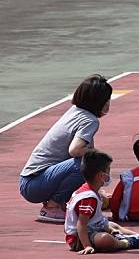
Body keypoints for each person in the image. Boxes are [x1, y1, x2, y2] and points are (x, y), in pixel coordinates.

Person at [20, 75, 112, 223]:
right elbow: (75, 150)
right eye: (107, 100)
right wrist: (101, 159)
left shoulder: (75, 111)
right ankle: (53, 206)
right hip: (35, 185)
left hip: (31, 181)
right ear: (99, 102)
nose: (108, 104)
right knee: (86, 163)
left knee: (89, 160)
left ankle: (57, 202)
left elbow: (87, 147)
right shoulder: (90, 120)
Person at [64, 149, 139, 254]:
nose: (109, 173)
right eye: (108, 170)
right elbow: (81, 225)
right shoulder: (88, 197)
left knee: (112, 225)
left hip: (93, 228)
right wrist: (87, 245)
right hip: (79, 238)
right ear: (100, 176)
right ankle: (126, 243)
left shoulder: (90, 190)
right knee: (105, 239)